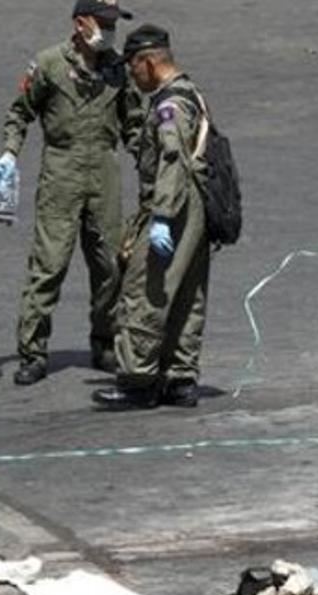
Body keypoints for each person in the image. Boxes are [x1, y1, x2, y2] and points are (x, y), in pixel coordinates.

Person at [0, 0, 139, 386]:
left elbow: (134, 125)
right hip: (61, 169)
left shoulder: (118, 68)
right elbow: (19, 112)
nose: (109, 30)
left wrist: (152, 166)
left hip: (104, 170)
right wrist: (10, 152)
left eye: (113, 23)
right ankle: (33, 352)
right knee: (49, 265)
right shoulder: (49, 64)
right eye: (103, 21)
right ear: (80, 23)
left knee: (110, 265)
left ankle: (105, 343)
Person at [93, 25, 211, 410]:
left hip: (172, 202)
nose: (132, 75)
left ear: (148, 61)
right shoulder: (190, 94)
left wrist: (160, 216)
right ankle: (180, 379)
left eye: (133, 68)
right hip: (195, 206)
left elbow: (172, 162)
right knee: (187, 293)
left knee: (147, 289)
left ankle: (138, 381)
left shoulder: (169, 106)